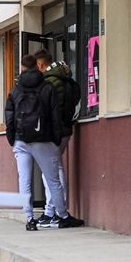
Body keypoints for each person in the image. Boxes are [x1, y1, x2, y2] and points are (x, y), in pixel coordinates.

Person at [5, 54, 85, 231]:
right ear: (37, 66)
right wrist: (55, 139)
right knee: (53, 180)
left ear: (22, 69)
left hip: (21, 140)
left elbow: (9, 116)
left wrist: (12, 138)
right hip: (43, 140)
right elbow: (54, 116)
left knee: (24, 181)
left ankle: (29, 219)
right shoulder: (47, 87)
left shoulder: (15, 90)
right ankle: (63, 216)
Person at [34, 48, 73, 228]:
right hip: (63, 130)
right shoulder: (62, 78)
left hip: (54, 133)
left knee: (53, 172)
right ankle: (54, 210)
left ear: (40, 64)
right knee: (53, 171)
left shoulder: (49, 82)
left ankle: (54, 211)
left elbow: (50, 110)